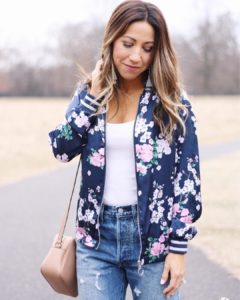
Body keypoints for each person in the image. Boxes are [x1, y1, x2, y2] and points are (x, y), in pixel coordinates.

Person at [48, 1, 202, 299]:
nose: (136, 56)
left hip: (154, 243)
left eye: (147, 48)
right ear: (112, 40)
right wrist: (92, 98)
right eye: (128, 44)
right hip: (95, 242)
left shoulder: (172, 101)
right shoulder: (90, 94)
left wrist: (178, 248)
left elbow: (188, 179)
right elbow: (61, 148)